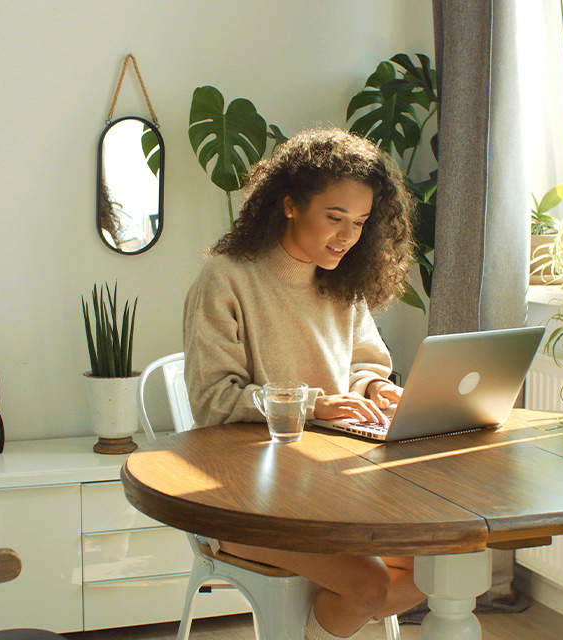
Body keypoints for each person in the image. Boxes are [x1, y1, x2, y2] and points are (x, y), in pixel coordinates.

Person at [182, 128, 424, 640]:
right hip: (244, 500)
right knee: (371, 586)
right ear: (290, 205)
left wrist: (375, 389)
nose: (347, 236)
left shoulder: (342, 278)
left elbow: (363, 365)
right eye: (335, 218)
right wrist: (314, 406)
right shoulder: (226, 278)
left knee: (440, 565)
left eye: (360, 223)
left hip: (332, 488)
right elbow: (212, 400)